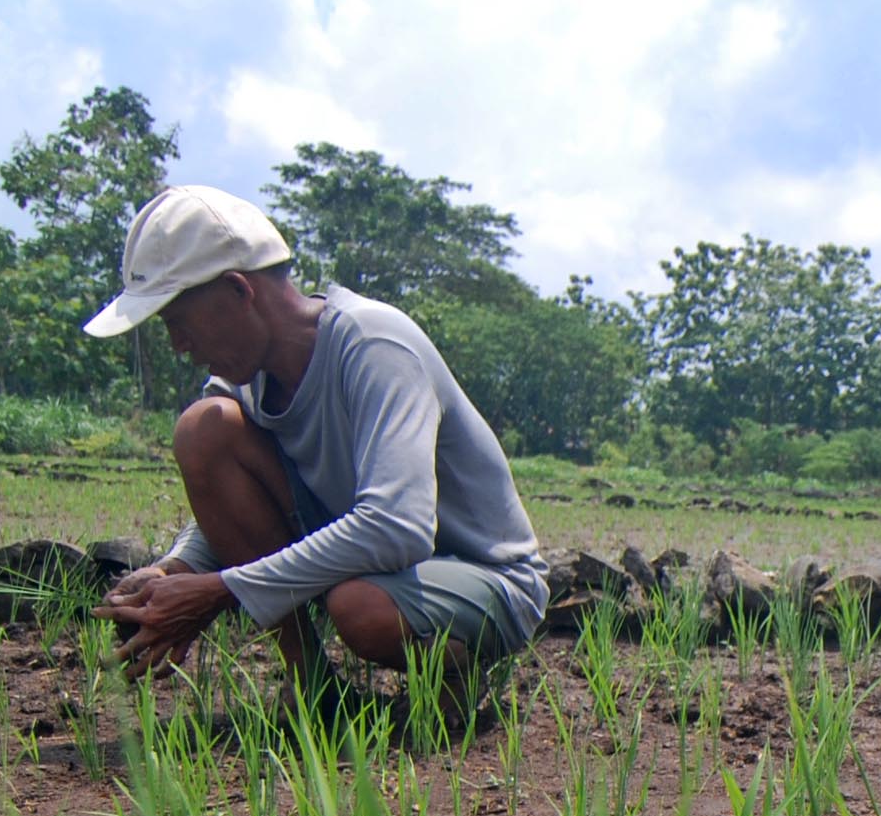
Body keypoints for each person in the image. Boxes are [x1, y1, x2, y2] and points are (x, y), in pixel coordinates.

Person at [82, 184, 548, 700]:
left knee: (360, 608)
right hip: (362, 566)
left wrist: (219, 591)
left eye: (179, 321)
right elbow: (238, 506)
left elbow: (399, 529)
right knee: (203, 429)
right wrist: (176, 569)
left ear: (238, 291)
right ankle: (313, 688)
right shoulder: (242, 381)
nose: (178, 345)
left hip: (483, 579)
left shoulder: (374, 344)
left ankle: (456, 675)